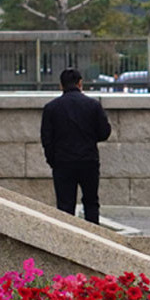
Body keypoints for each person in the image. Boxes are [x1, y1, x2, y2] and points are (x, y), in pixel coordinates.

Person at [40, 68, 112, 224]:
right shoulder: (93, 105)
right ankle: (94, 239)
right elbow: (104, 132)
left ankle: (67, 242)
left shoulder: (51, 108)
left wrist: (53, 161)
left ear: (61, 85)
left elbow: (46, 139)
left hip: (62, 162)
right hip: (88, 160)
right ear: (80, 83)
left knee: (65, 206)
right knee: (91, 202)